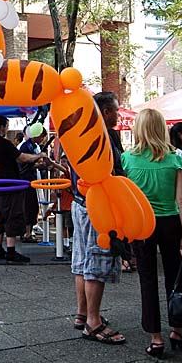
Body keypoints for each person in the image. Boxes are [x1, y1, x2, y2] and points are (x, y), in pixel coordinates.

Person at [121, 108, 182, 358]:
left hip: (142, 225)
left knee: (147, 281)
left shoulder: (127, 160)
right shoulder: (174, 159)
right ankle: (177, 330)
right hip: (171, 223)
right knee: (175, 279)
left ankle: (155, 338)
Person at [71, 92, 126, 344]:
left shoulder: (79, 131)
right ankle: (92, 322)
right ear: (105, 112)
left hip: (81, 203)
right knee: (96, 262)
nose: (118, 114)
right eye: (115, 110)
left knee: (83, 262)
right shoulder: (99, 136)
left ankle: (83, 315)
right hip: (96, 206)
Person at [0, 115, 49, 263]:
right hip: (11, 186)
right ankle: (11, 251)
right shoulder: (4, 143)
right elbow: (22, 158)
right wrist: (38, 155)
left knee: (1, 216)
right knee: (12, 216)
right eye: (7, 126)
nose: (7, 129)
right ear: (2, 127)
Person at [17, 125, 48, 242]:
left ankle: (28, 231)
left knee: (32, 206)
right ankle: (26, 233)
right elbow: (25, 164)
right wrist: (38, 162)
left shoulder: (34, 146)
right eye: (42, 137)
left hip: (31, 179)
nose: (42, 139)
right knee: (27, 206)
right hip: (25, 180)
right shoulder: (26, 146)